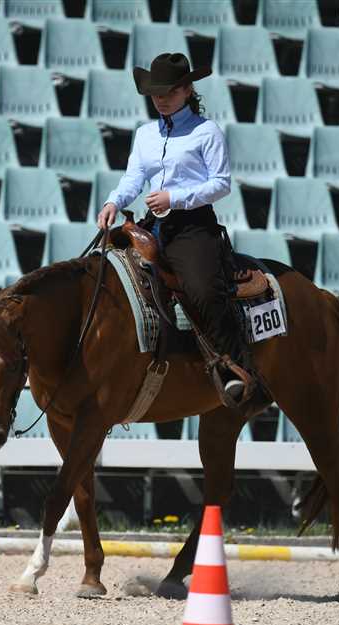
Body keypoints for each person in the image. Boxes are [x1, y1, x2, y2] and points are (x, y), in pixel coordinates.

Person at [97, 52, 262, 413]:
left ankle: (236, 367)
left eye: (170, 91)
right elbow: (134, 178)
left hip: (193, 227)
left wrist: (176, 197)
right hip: (153, 225)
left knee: (203, 290)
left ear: (187, 90)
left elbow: (221, 183)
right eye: (156, 93)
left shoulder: (206, 131)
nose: (162, 98)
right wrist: (113, 201)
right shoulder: (145, 134)